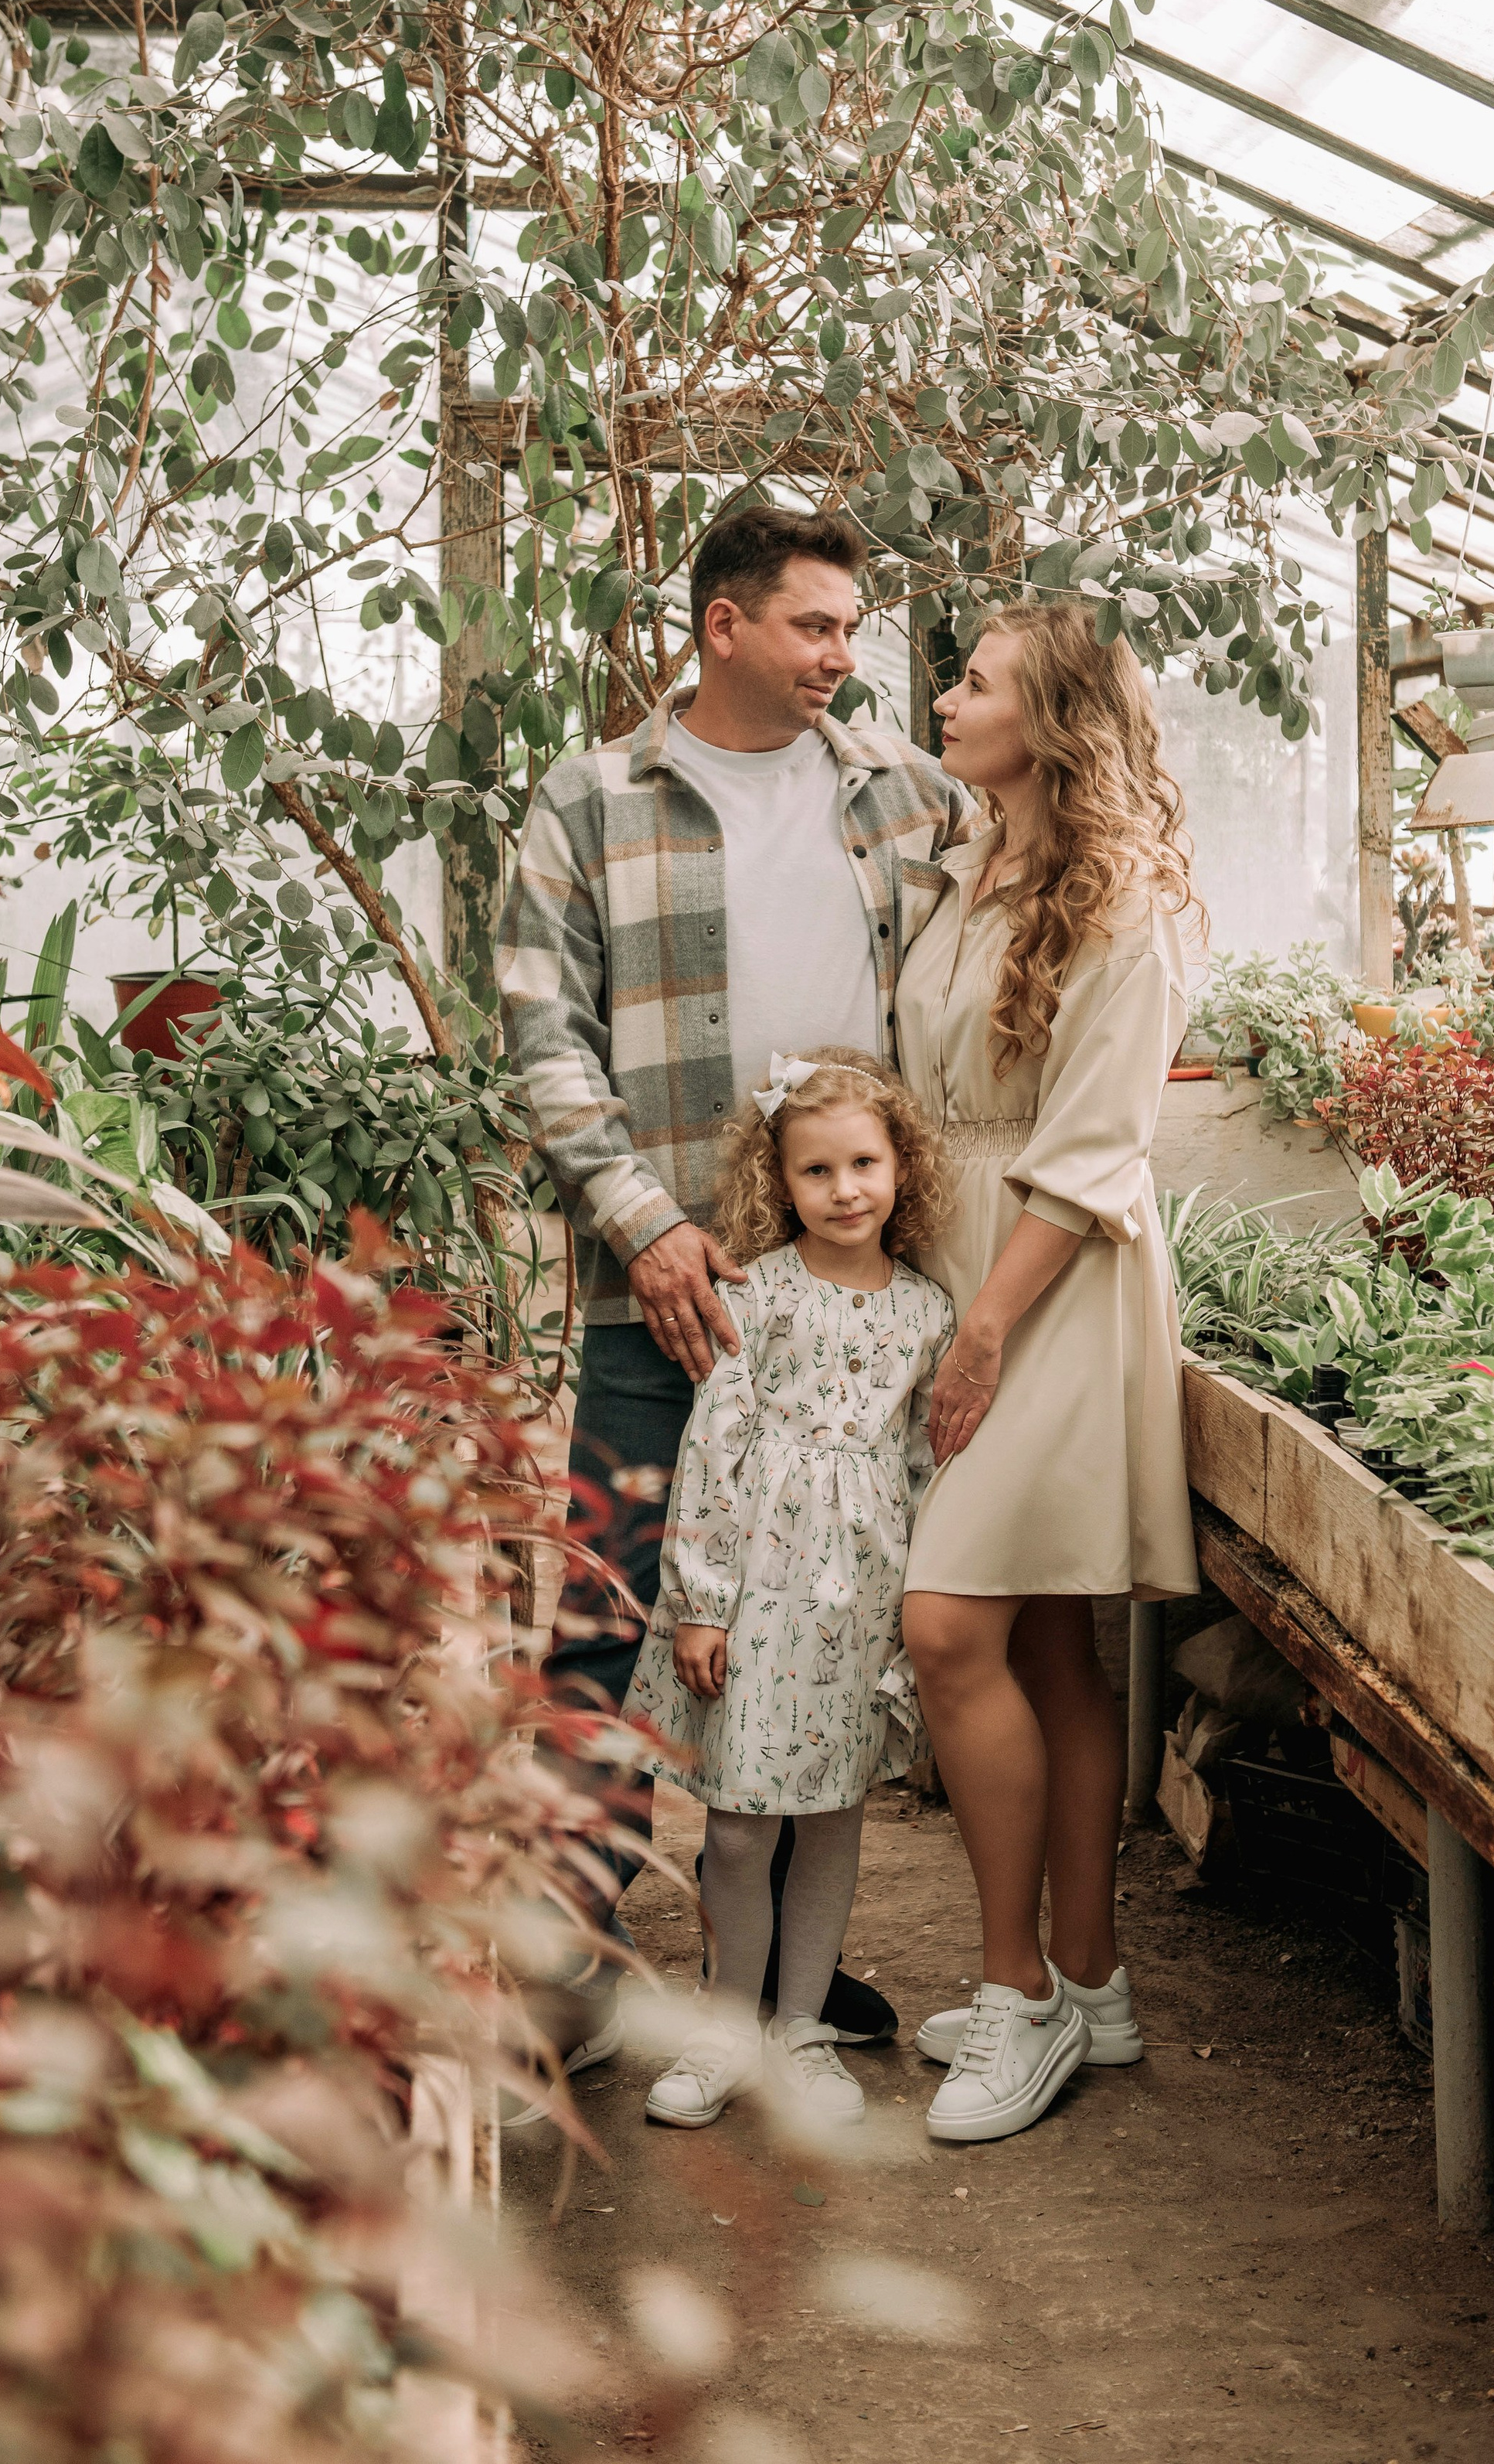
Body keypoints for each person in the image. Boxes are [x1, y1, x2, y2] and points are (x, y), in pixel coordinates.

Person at [497, 501, 970, 2078]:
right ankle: (573, 1965)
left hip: (845, 1307)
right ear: (722, 625)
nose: (843, 657)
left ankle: (780, 1971)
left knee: (821, 1618)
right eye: (814, 627)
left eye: (849, 630)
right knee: (615, 1609)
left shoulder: (906, 798)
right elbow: (542, 1040)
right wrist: (643, 1223)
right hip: (667, 1291)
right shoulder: (588, 802)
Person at [894, 596, 1202, 2145]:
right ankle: (1091, 1981)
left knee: (945, 1623)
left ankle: (1011, 1997)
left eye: (975, 680)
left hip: (1052, 1288)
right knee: (1046, 1651)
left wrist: (982, 1328)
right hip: (964, 1273)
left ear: (1058, 717)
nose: (945, 698)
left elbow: (1091, 1152)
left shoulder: (1123, 898)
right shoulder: (966, 869)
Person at [622, 1049, 955, 2130]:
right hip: (760, 1589)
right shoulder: (753, 1295)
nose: (846, 1188)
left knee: (833, 1813)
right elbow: (713, 1446)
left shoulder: (926, 1314)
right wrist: (703, 1598)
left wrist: (917, 1610)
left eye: (865, 1161)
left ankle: (803, 2024)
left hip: (860, 1596)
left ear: (901, 1165)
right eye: (818, 1170)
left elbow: (920, 1465)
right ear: (782, 1181)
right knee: (737, 1822)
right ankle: (725, 2026)